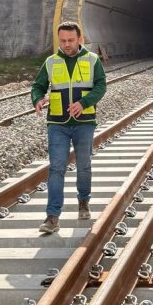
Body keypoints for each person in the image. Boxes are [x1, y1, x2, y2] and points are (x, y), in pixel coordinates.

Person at [31, 21, 107, 234]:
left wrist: (84, 103)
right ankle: (52, 217)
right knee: (56, 167)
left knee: (84, 165)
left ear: (80, 39)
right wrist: (37, 99)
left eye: (70, 40)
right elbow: (38, 86)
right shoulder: (51, 62)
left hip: (84, 123)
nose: (66, 44)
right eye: (63, 40)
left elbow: (101, 86)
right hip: (57, 123)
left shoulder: (92, 60)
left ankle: (83, 201)